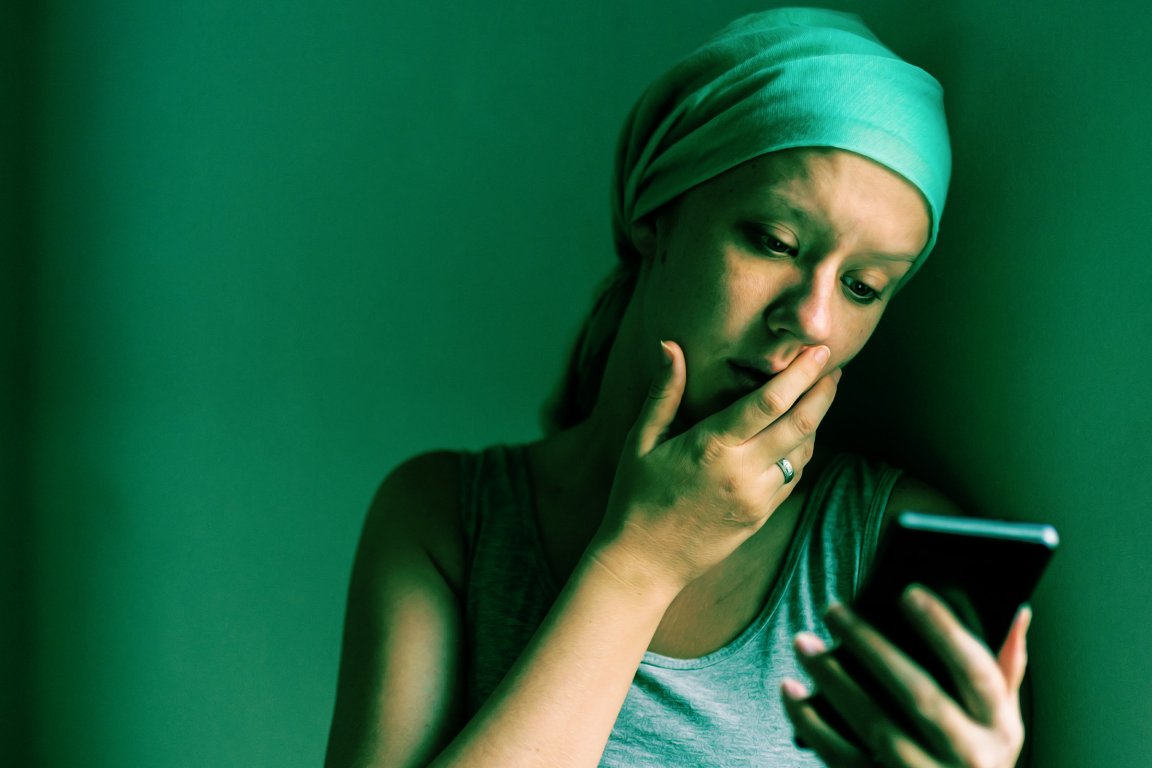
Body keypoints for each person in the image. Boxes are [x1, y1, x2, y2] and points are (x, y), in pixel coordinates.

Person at [323, 8, 1033, 767]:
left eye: (863, 286)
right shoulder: (444, 521)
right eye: (775, 241)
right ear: (656, 217)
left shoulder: (892, 552)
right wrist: (641, 560)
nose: (811, 319)